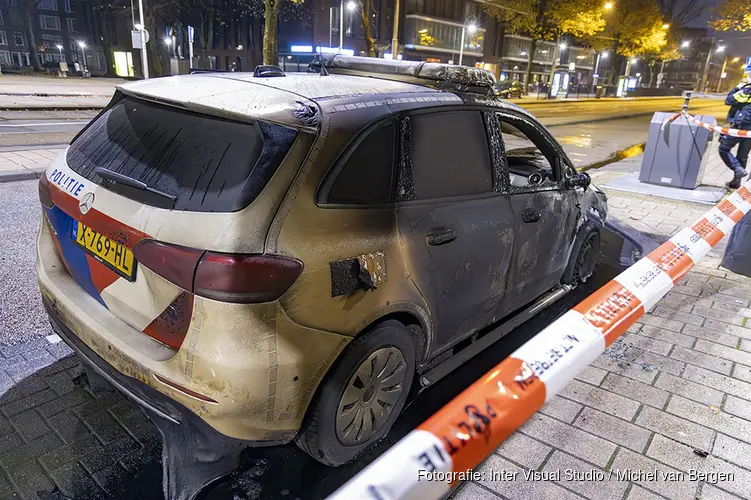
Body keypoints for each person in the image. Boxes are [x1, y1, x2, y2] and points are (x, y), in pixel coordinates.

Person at [720, 76, 751, 189]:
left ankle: (738, 169)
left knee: (723, 149)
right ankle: (736, 182)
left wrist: (738, 87)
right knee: (742, 156)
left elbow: (729, 100)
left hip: (740, 126)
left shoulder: (747, 91)